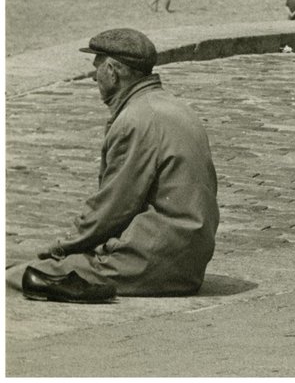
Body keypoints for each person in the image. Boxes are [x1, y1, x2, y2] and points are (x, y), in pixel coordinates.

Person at [6, 28, 218, 301]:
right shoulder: (172, 106)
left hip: (150, 262)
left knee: (16, 279)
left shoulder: (135, 120)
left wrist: (62, 247)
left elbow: (113, 207)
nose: (95, 76)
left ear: (113, 71)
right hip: (185, 259)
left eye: (98, 67)